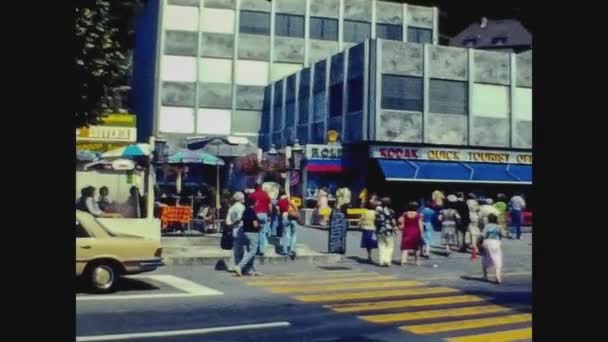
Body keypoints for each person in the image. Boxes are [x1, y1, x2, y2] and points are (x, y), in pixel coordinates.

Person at [234, 196, 262, 277]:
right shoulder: (252, 211)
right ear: (254, 202)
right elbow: (255, 224)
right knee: (252, 251)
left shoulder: (245, 211)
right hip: (253, 232)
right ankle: (239, 266)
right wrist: (260, 226)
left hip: (246, 232)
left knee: (250, 251)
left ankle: (251, 270)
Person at [480, 213, 504, 284]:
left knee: (485, 258)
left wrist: (478, 243)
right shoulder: (498, 227)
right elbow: (501, 235)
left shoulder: (486, 226)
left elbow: (482, 235)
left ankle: (485, 276)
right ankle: (498, 276)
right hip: (496, 243)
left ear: (489, 220)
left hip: (487, 242)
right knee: (498, 259)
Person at [398, 201, 424, 266]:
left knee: (405, 247)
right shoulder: (419, 215)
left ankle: (403, 261)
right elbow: (420, 225)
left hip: (406, 232)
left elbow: (400, 221)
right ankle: (417, 261)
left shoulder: (405, 214)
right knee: (416, 248)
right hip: (416, 232)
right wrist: (422, 234)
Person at [226, 192, 246, 272]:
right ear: (241, 199)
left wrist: (232, 224)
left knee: (235, 248)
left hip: (234, 228)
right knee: (241, 249)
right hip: (240, 228)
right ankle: (239, 265)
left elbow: (228, 221)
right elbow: (241, 218)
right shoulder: (242, 207)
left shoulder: (231, 208)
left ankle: (232, 265)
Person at [374, 197, 397, 267]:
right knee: (389, 246)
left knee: (381, 246)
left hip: (380, 230)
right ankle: (387, 261)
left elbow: (375, 221)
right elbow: (393, 222)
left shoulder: (377, 211)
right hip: (389, 231)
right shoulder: (391, 211)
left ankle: (381, 261)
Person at [250, 184, 271, 256]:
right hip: (264, 214)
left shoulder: (252, 194)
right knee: (262, 233)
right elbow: (269, 205)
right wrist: (269, 214)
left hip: (255, 214)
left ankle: (254, 249)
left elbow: (249, 204)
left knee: (255, 233)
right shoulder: (266, 194)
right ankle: (262, 250)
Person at [279, 193, 299, 258]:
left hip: (284, 216)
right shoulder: (290, 200)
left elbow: (278, 211)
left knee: (285, 234)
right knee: (293, 234)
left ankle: (284, 251)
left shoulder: (280, 201)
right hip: (293, 216)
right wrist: (297, 213)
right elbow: (295, 207)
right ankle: (292, 250)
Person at [467, 195, 481, 260]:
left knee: (470, 231)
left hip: (469, 216)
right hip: (475, 216)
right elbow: (478, 209)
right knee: (475, 232)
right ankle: (475, 246)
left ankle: (471, 244)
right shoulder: (475, 202)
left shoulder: (467, 201)